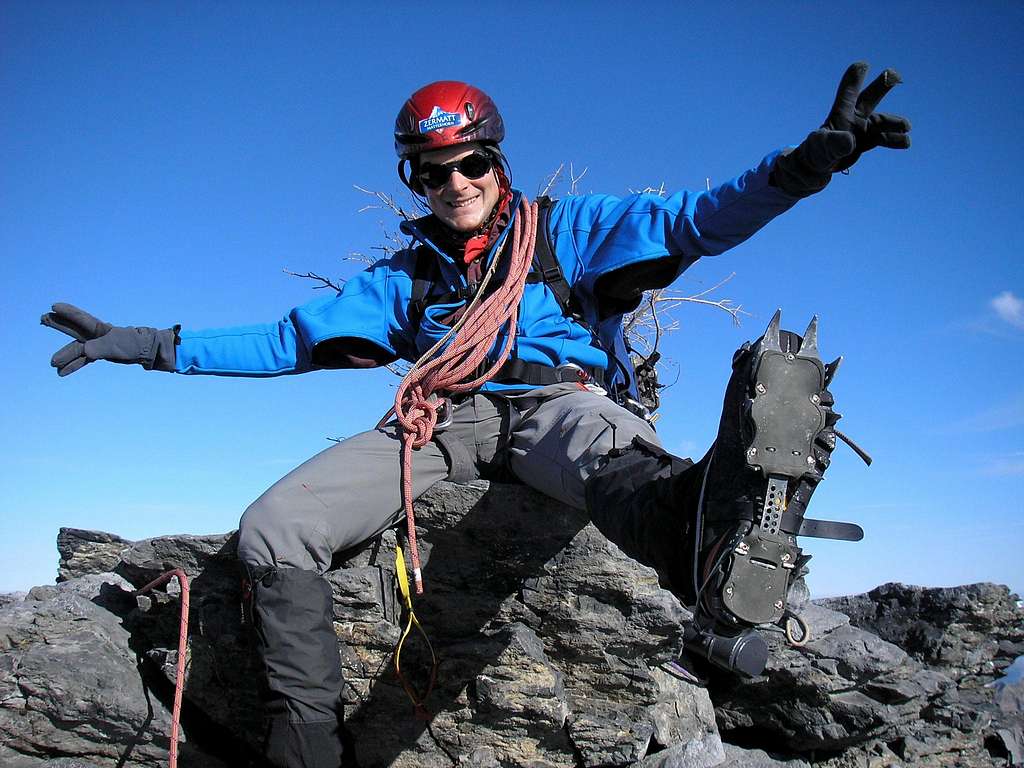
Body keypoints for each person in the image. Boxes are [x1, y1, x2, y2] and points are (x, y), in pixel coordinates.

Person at [42, 63, 909, 768]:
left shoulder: (568, 231)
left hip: (555, 398)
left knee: (613, 466)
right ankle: (306, 746)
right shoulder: (406, 277)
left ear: (497, 159)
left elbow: (697, 218)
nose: (454, 182)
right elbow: (283, 340)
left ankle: (715, 532)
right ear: (414, 178)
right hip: (445, 415)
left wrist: (802, 168)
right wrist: (146, 342)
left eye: (471, 163)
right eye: (432, 170)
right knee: (275, 528)